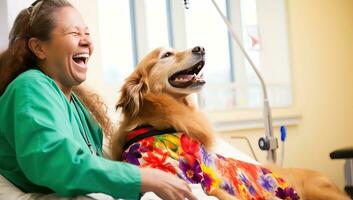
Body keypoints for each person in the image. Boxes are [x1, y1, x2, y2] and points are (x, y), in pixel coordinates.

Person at [0, 1, 197, 200]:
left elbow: (97, 170)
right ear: (38, 48)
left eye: (87, 34)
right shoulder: (30, 86)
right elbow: (57, 163)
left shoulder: (75, 103)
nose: (86, 42)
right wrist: (144, 178)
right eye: (75, 34)